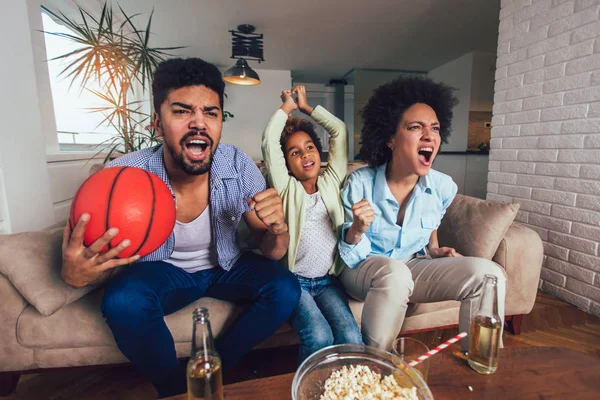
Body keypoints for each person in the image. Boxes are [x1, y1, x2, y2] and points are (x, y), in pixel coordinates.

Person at [60, 58, 301, 398]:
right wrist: (75, 274)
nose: (199, 123)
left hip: (225, 266)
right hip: (163, 272)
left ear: (220, 122)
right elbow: (83, 266)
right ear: (158, 123)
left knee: (286, 289)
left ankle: (217, 368)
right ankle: (174, 390)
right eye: (182, 111)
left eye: (211, 113)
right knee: (122, 301)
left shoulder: (238, 164)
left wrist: (278, 229)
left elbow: (271, 249)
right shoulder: (123, 175)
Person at [338, 76, 506, 352]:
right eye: (416, 127)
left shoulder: (443, 187)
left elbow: (432, 223)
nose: (429, 135)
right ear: (390, 138)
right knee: (394, 274)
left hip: (412, 267)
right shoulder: (360, 184)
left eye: (435, 128)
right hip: (363, 269)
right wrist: (356, 228)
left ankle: (479, 362)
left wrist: (434, 249)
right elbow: (351, 255)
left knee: (489, 275)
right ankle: (376, 365)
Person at [262, 86, 362, 363]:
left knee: (352, 339)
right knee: (318, 336)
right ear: (286, 164)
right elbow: (270, 141)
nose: (305, 154)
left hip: (328, 282)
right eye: (294, 153)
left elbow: (339, 131)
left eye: (309, 148)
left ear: (319, 153)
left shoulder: (332, 180)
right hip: (295, 282)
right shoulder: (285, 188)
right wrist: (287, 108)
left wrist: (308, 108)